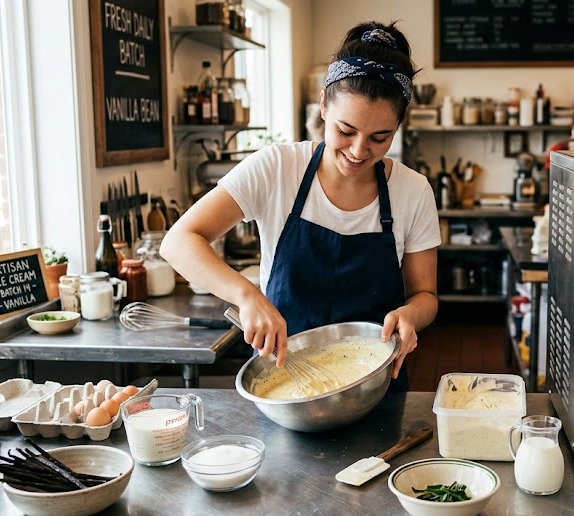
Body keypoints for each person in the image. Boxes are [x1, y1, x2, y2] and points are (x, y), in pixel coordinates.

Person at [161, 22, 439, 391]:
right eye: (345, 130)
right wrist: (247, 296)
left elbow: (426, 296)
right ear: (323, 106)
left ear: (398, 127)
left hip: (375, 385)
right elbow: (178, 241)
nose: (358, 151)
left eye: (379, 137)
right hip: (284, 380)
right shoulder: (277, 168)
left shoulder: (413, 190)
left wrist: (410, 315)